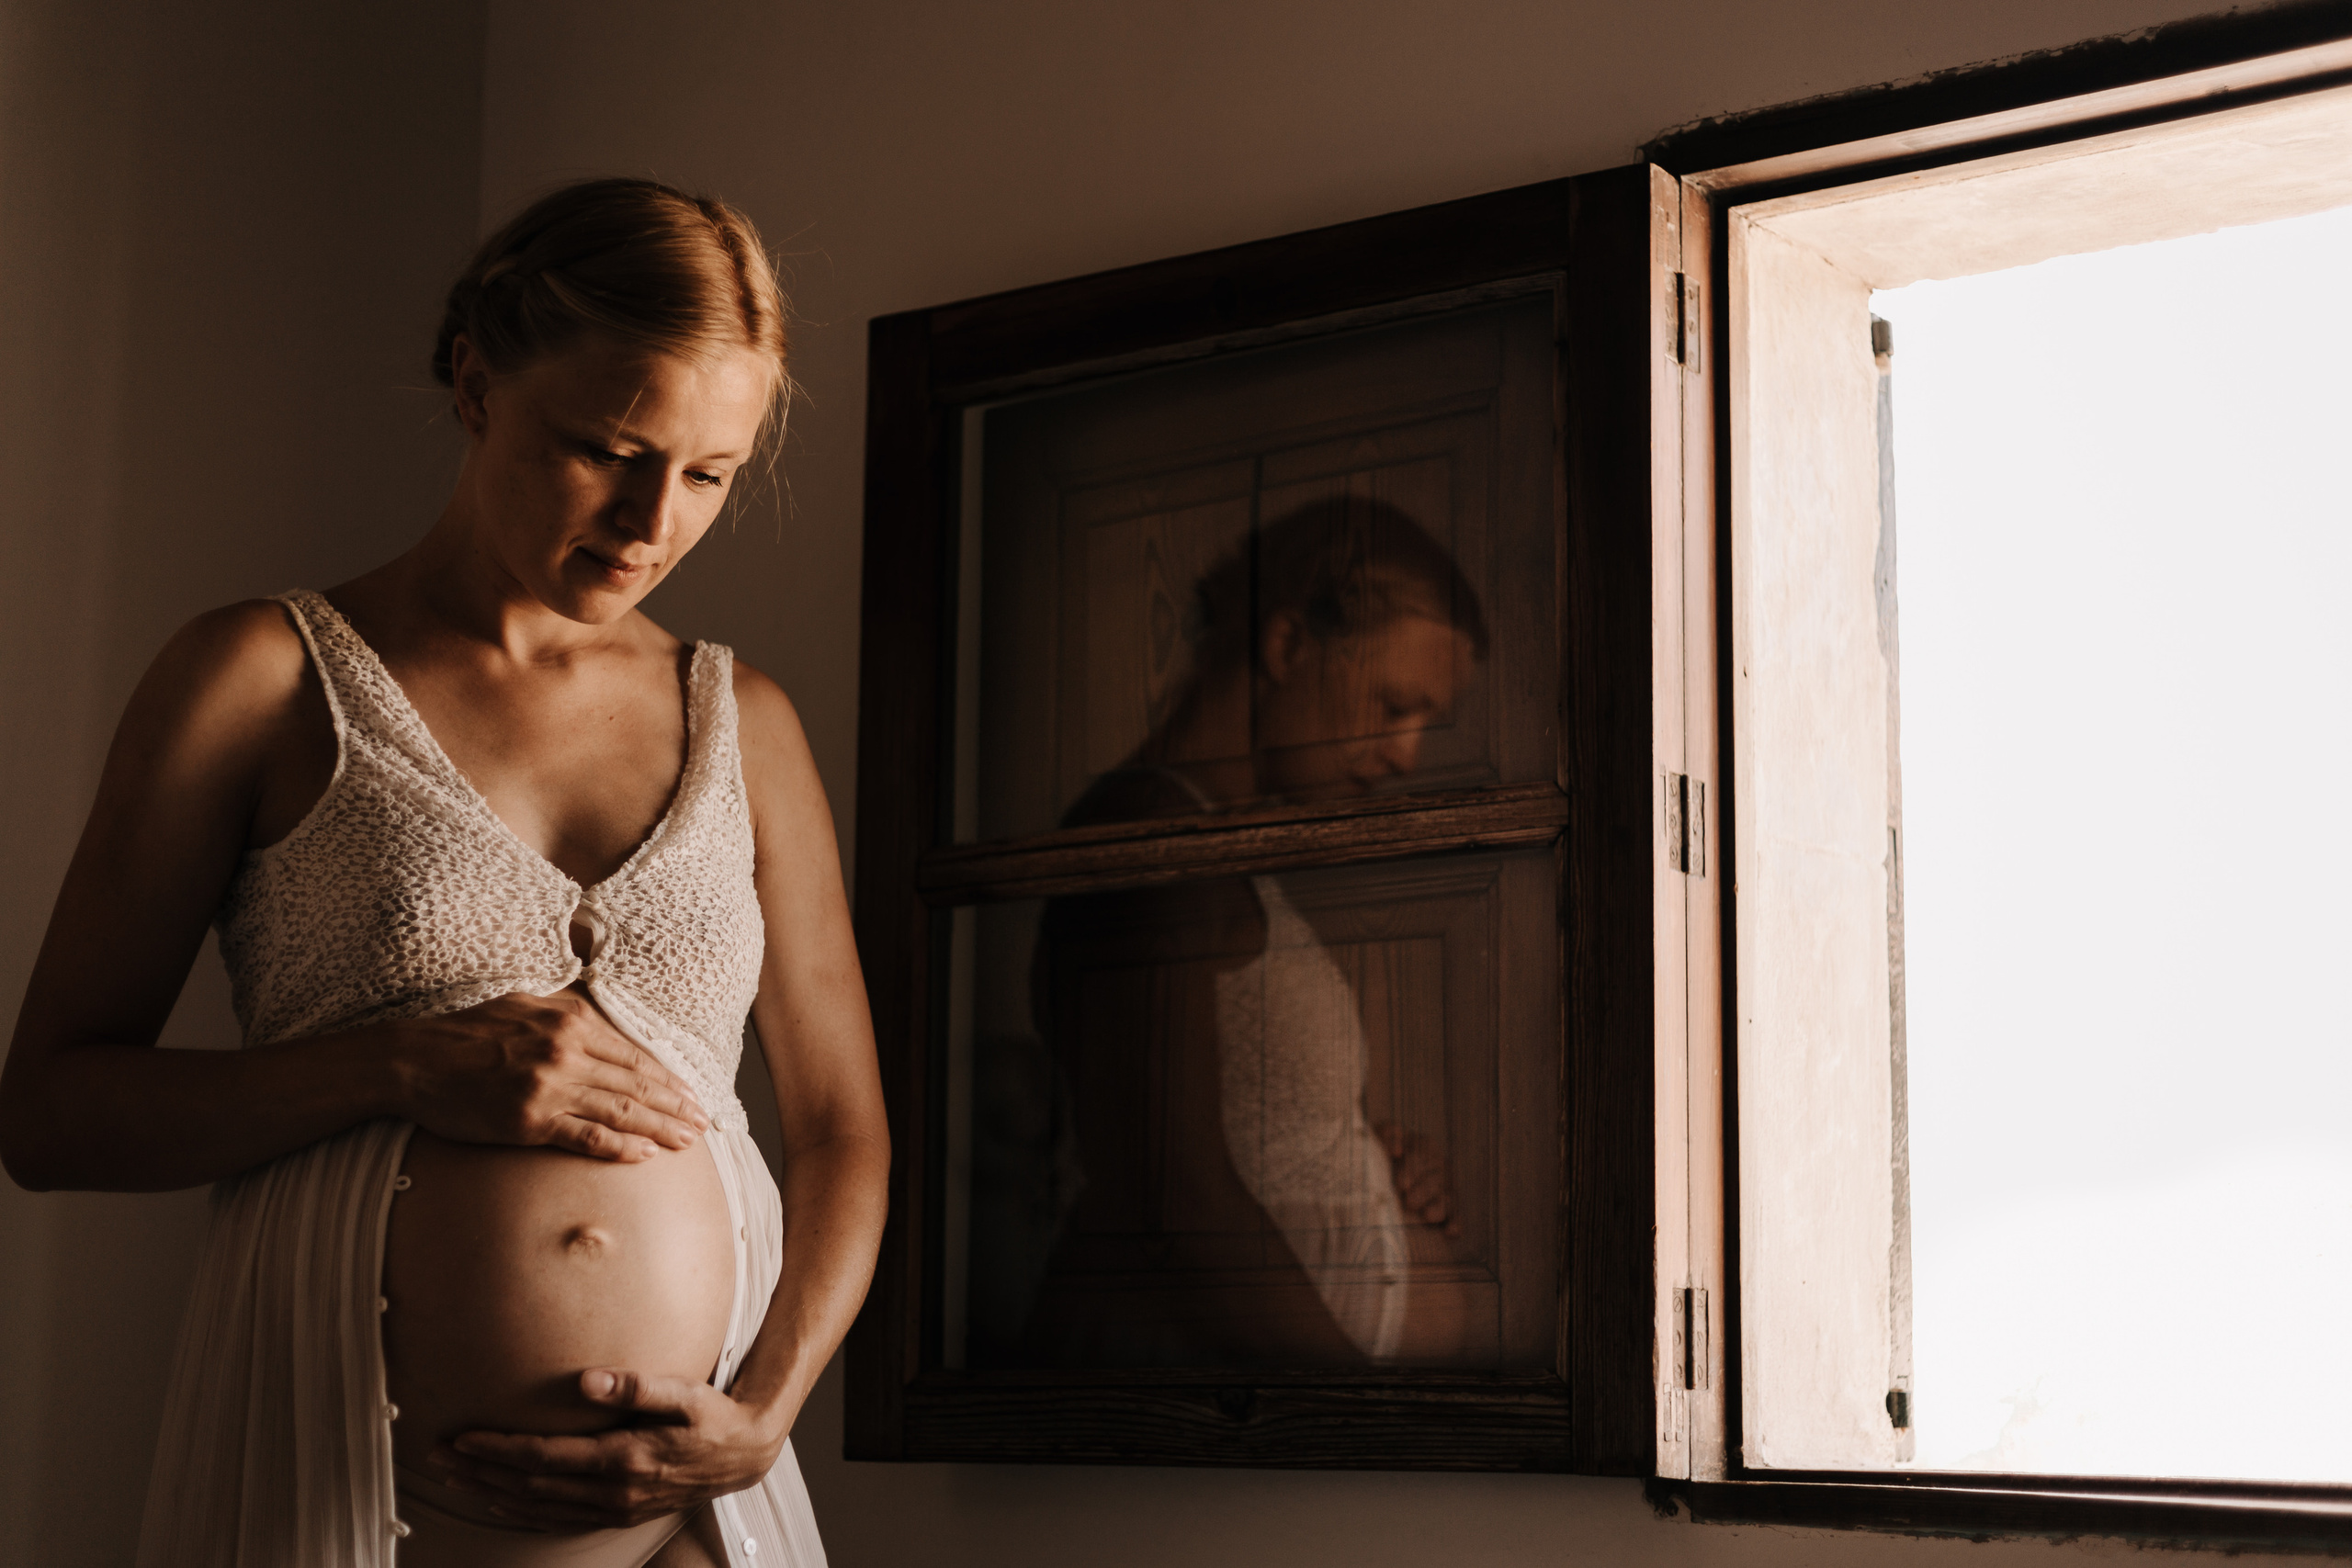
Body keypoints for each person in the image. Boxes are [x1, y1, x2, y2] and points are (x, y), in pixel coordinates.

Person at [0, 178, 889, 1567]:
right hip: (354, 1503)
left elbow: (842, 1129)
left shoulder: (746, 719)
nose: (653, 519)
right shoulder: (262, 677)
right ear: (475, 383)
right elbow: (50, 1114)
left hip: (701, 1520)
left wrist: (764, 1412)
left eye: (710, 473)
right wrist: (398, 1065)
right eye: (607, 447)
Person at [970, 495, 1481, 1369]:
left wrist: (1370, 1169)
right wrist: (1361, 1412)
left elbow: (1249, 1138)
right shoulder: (1148, 839)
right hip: (1200, 1416)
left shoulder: (1211, 847)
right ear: (1286, 646)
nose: (1408, 756)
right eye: (1395, 705)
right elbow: (1175, 1204)